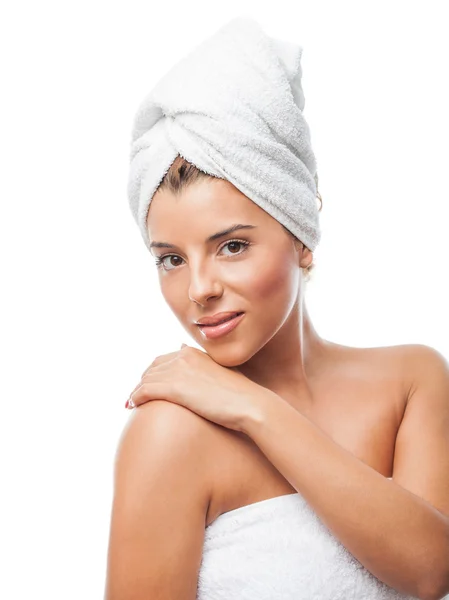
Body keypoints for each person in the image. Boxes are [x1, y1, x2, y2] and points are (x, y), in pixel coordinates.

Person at [104, 17, 449, 600]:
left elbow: (429, 571)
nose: (199, 289)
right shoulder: (168, 434)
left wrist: (254, 409)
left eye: (231, 245)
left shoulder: (411, 381)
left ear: (302, 233)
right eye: (170, 259)